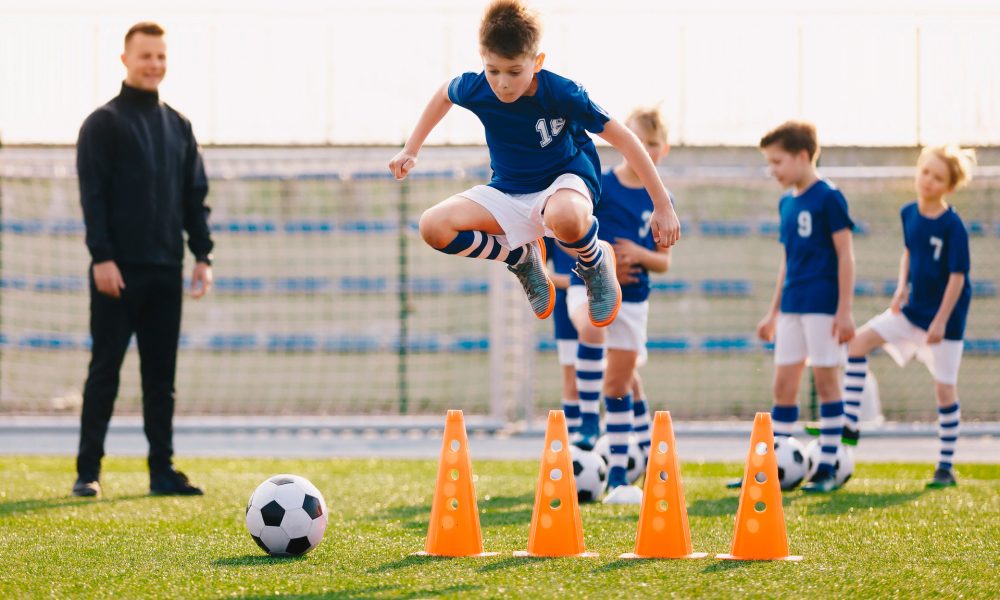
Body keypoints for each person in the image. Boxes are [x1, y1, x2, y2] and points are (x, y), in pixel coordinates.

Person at [388, 0, 680, 336]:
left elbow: (626, 140)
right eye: (492, 70)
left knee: (565, 218)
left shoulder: (562, 93)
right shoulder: (476, 87)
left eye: (514, 72)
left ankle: (594, 259)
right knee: (433, 227)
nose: (502, 83)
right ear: (482, 57)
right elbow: (443, 95)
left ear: (537, 62)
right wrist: (412, 148)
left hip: (565, 182)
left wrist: (661, 204)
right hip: (510, 188)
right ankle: (521, 257)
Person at [73, 22, 214, 497]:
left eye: (160, 56)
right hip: (117, 272)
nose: (154, 64)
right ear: (125, 60)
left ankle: (162, 471)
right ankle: (87, 471)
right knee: (105, 371)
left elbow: (195, 196)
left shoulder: (178, 126)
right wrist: (102, 258)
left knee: (161, 380)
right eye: (145, 56)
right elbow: (92, 197)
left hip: (165, 269)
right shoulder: (103, 123)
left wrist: (202, 255)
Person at [842, 145, 976, 488]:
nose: (928, 181)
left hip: (945, 320)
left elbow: (958, 278)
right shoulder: (909, 213)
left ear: (949, 186)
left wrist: (942, 321)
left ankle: (945, 466)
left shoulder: (953, 226)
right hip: (912, 311)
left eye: (938, 177)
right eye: (925, 172)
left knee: (944, 391)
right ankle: (850, 423)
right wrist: (902, 288)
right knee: (857, 344)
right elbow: (908, 254)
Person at [737, 120, 856, 493]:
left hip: (823, 307)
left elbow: (845, 255)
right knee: (783, 386)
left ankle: (825, 467)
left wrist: (845, 310)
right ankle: (772, 466)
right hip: (791, 306)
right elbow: (788, 261)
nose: (773, 170)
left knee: (825, 382)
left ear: (802, 157)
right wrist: (773, 312)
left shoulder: (829, 198)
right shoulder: (786, 203)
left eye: (777, 162)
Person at [569, 107, 673, 504]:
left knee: (618, 386)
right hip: (590, 286)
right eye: (635, 141)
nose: (641, 150)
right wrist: (607, 257)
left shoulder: (661, 198)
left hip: (634, 303)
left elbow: (663, 261)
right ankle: (584, 423)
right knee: (591, 327)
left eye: (649, 144)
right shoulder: (601, 186)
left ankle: (618, 478)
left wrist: (639, 255)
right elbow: (571, 234)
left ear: (661, 150)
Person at [545, 238, 582, 433]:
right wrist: (572, 282)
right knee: (571, 372)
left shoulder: (604, 216)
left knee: (612, 372)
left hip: (602, 298)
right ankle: (574, 434)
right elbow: (536, 266)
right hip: (564, 302)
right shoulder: (556, 223)